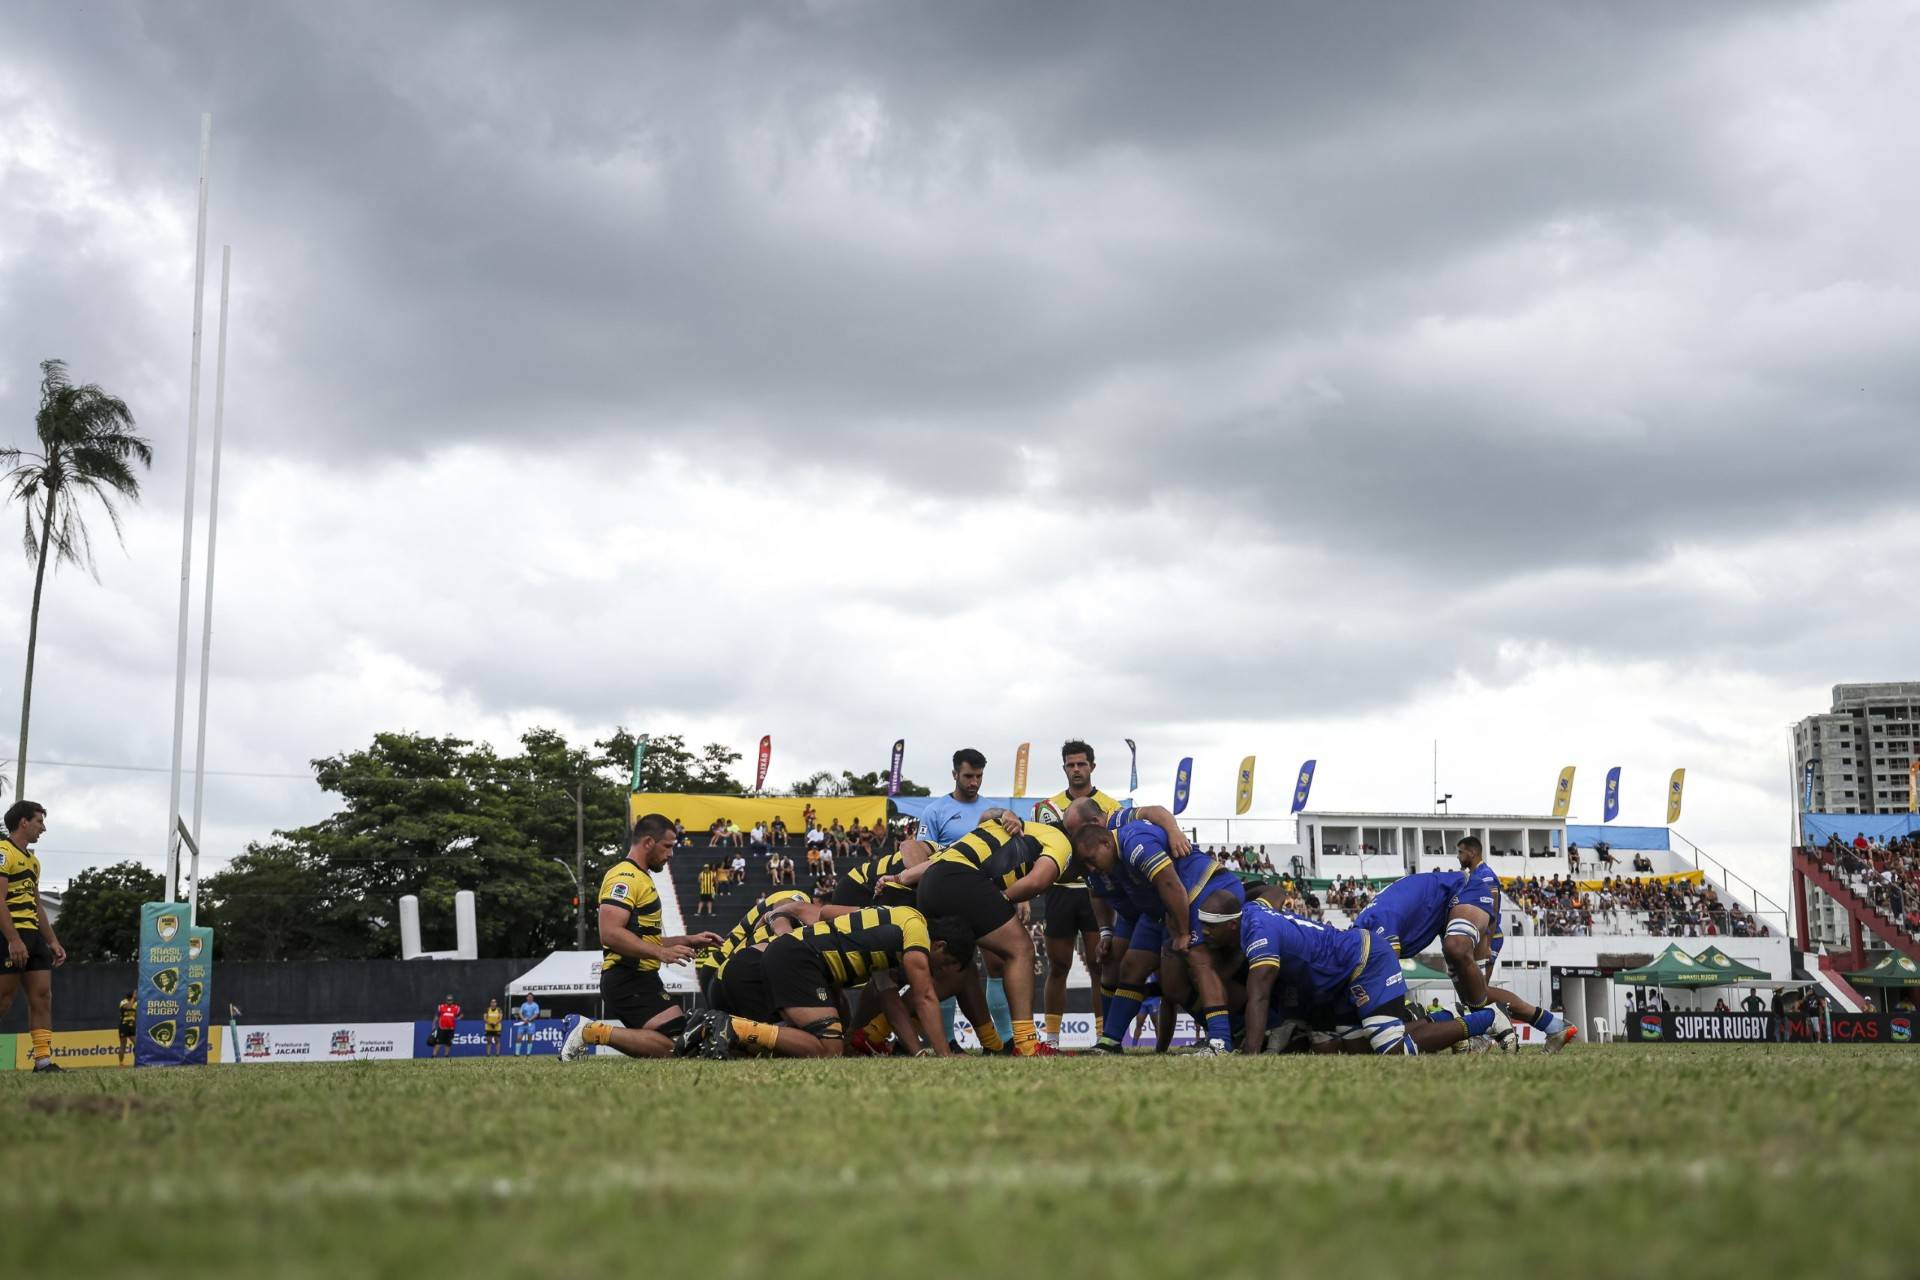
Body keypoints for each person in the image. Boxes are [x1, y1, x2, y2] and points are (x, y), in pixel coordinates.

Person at [885, 812, 1080, 1055]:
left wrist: (900, 877)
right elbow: (1036, 882)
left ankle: (881, 1029)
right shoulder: (1060, 840)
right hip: (959, 881)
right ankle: (1027, 1043)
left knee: (958, 969)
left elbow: (944, 856)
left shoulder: (996, 830)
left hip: (931, 883)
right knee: (1020, 949)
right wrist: (1003, 899)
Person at [686, 906, 975, 1059]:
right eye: (946, 963)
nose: (940, 970)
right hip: (795, 958)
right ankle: (730, 1026)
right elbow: (924, 997)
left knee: (794, 1047)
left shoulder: (890, 927)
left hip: (791, 956)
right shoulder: (917, 935)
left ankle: (722, 1031)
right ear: (939, 945)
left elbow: (891, 1000)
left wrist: (920, 1052)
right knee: (827, 1049)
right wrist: (944, 1054)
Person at [1069, 813, 1244, 1053]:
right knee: (1143, 972)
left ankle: (1221, 1042)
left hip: (1203, 890)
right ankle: (1110, 1042)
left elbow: (1170, 883)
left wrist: (1183, 933)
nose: (1091, 867)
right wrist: (1107, 932)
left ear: (1106, 843)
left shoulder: (1134, 843)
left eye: (1091, 859)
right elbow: (1099, 894)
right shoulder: (1107, 864)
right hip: (1165, 908)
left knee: (1198, 959)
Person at [560, 814, 724, 1062]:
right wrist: (660, 953)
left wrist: (689, 939)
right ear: (648, 842)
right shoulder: (624, 877)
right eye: (668, 846)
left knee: (683, 1042)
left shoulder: (641, 876)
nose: (671, 854)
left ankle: (589, 1031)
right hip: (627, 978)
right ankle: (588, 1031)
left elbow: (643, 938)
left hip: (641, 978)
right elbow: (610, 933)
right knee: (677, 1047)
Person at [1040, 739, 1124, 1048]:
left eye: (1081, 764)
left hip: (1098, 891)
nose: (1076, 770)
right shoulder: (1045, 809)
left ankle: (1103, 1037)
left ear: (1092, 766)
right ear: (1064, 768)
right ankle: (1050, 1041)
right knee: (1059, 965)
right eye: (1070, 765)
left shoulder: (1111, 806)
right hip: (1060, 892)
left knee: (1099, 964)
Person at [910, 749, 997, 1045]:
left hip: (983, 895)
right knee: (946, 965)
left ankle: (1006, 1039)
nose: (974, 782)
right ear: (954, 775)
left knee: (995, 963)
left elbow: (1002, 858)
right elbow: (919, 855)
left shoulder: (992, 810)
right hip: (945, 898)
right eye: (969, 776)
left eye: (979, 776)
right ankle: (945, 1039)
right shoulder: (935, 811)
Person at [0, 801, 65, 1072]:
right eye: (39, 821)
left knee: (42, 996)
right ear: (23, 822)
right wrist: (13, 939)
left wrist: (52, 940)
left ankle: (43, 1061)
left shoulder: (33, 861)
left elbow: (36, 904)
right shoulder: (4, 851)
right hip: (8, 935)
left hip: (33, 936)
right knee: (3, 998)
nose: (43, 827)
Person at [117, 988, 138, 1067]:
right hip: (124, 1026)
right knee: (123, 1044)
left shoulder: (135, 1004)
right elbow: (128, 1007)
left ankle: (137, 1061)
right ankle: (121, 1063)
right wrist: (133, 998)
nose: (136, 995)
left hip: (132, 1026)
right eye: (134, 993)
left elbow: (135, 1015)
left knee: (137, 1044)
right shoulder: (123, 1002)